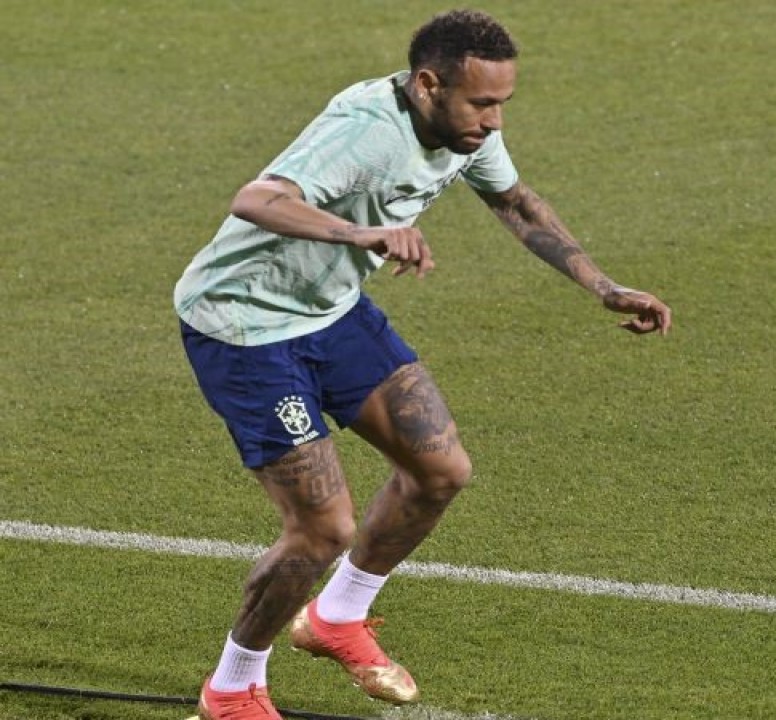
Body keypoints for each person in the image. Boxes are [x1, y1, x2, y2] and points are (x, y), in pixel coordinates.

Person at [174, 9, 672, 719]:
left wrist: (603, 285)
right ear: (429, 85)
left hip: (331, 311)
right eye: (482, 103)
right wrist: (364, 233)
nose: (494, 120)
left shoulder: (461, 132)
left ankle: (337, 618)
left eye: (503, 102)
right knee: (321, 530)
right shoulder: (365, 130)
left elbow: (516, 202)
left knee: (440, 470)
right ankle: (232, 689)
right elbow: (257, 199)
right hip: (246, 326)